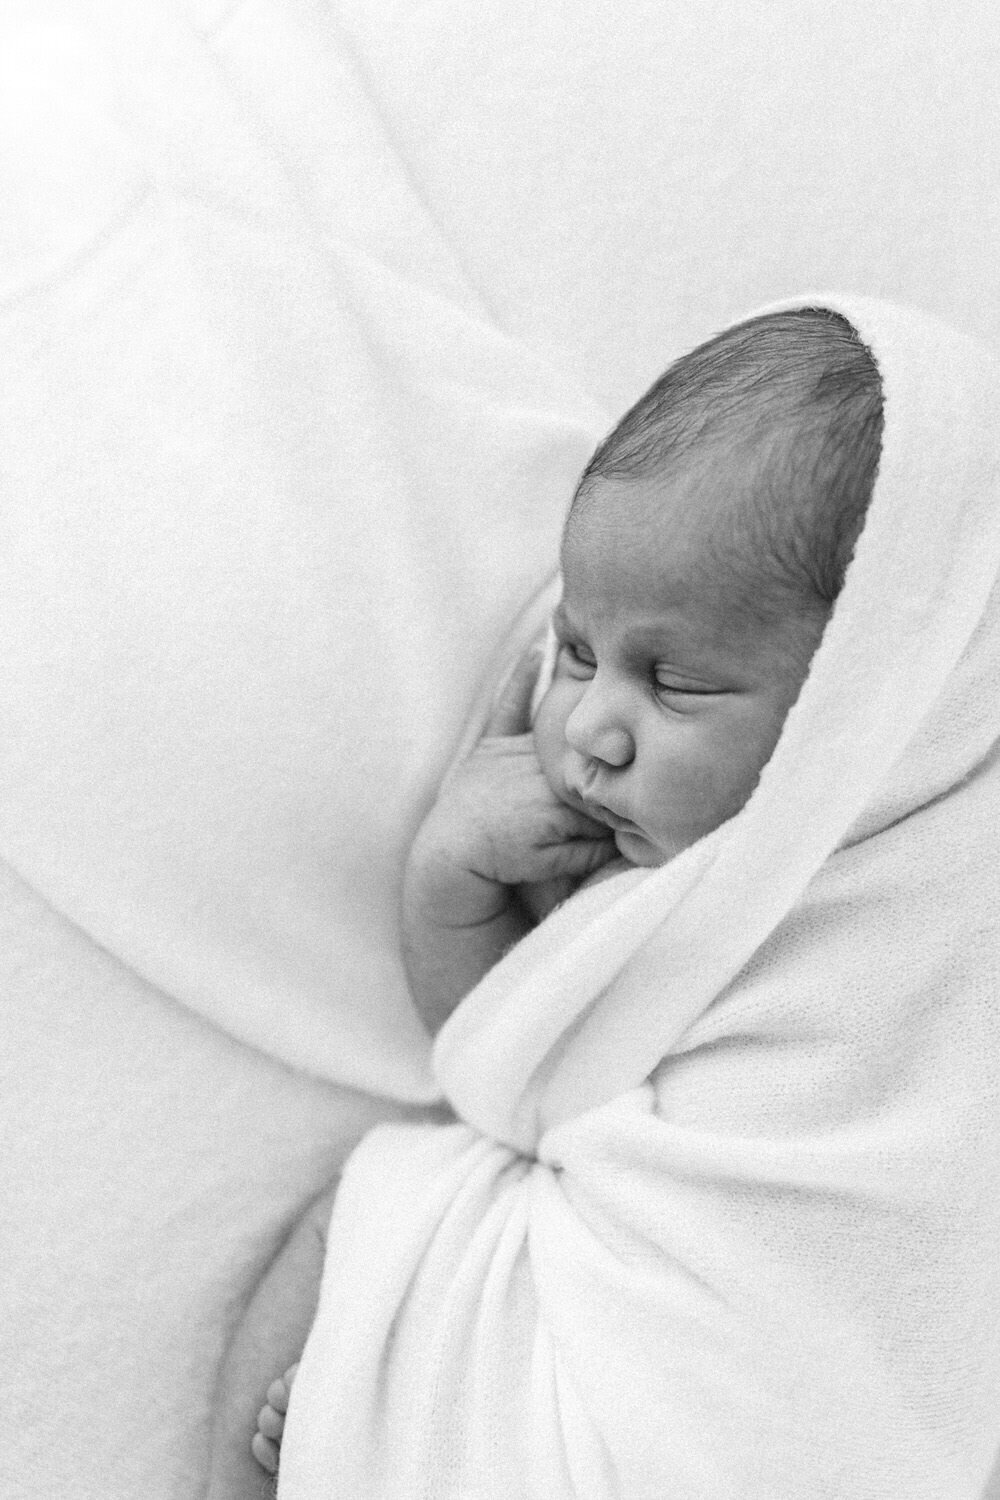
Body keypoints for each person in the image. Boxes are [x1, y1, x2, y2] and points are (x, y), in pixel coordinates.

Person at [214, 304, 887, 1492]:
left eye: (670, 680)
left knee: (390, 1203)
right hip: (638, 1294)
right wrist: (454, 880)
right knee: (386, 1198)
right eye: (576, 652)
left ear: (862, 691)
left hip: (796, 1364)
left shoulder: (898, 867)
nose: (587, 726)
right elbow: (509, 1066)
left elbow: (518, 1101)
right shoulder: (627, 880)